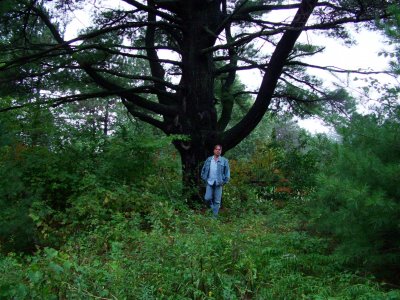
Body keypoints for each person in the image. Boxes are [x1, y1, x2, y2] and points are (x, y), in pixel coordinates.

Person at [201, 144, 230, 217]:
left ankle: (214, 218)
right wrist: (204, 178)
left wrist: (224, 182)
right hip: (209, 182)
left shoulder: (224, 161)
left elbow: (227, 172)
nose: (218, 151)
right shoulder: (209, 159)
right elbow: (203, 169)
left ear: (221, 151)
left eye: (219, 149)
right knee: (207, 198)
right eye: (216, 149)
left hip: (219, 183)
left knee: (217, 201)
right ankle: (213, 208)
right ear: (214, 150)